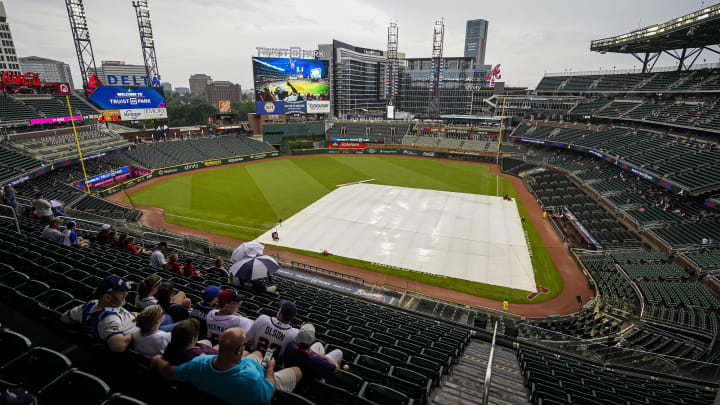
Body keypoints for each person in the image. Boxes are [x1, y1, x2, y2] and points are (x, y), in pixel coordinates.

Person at [151, 327, 302, 405]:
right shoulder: (252, 379)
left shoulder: (198, 364)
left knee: (256, 353)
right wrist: (269, 370)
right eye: (244, 344)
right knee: (297, 371)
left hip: (226, 382)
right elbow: (268, 395)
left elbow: (168, 371)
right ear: (239, 350)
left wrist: (157, 359)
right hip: (258, 381)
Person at [60, 275, 136, 352]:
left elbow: (64, 318)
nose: (126, 293)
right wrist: (131, 333)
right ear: (107, 297)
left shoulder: (90, 305)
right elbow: (118, 346)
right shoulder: (110, 318)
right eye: (121, 292)